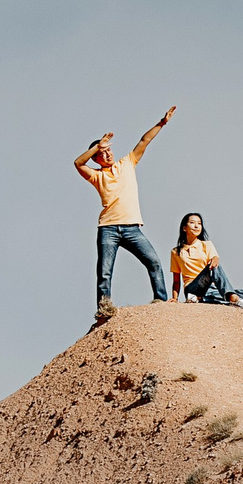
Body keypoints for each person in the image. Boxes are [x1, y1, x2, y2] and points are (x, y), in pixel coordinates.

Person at [74, 105, 176, 323]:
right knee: (105, 272)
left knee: (154, 262)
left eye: (108, 150)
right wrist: (96, 147)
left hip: (132, 227)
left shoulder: (127, 163)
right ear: (96, 159)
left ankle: (161, 302)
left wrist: (161, 123)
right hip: (108, 229)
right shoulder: (95, 175)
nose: (107, 154)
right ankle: (104, 310)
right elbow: (78, 163)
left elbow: (144, 141)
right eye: (102, 153)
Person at [170, 211, 243, 307]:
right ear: (184, 228)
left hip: (210, 288)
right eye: (192, 223)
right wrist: (175, 298)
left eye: (199, 223)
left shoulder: (206, 245)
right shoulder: (176, 252)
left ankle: (200, 299)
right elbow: (176, 280)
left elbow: (215, 259)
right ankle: (229, 297)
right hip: (192, 287)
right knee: (214, 267)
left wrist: (215, 258)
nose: (196, 226)